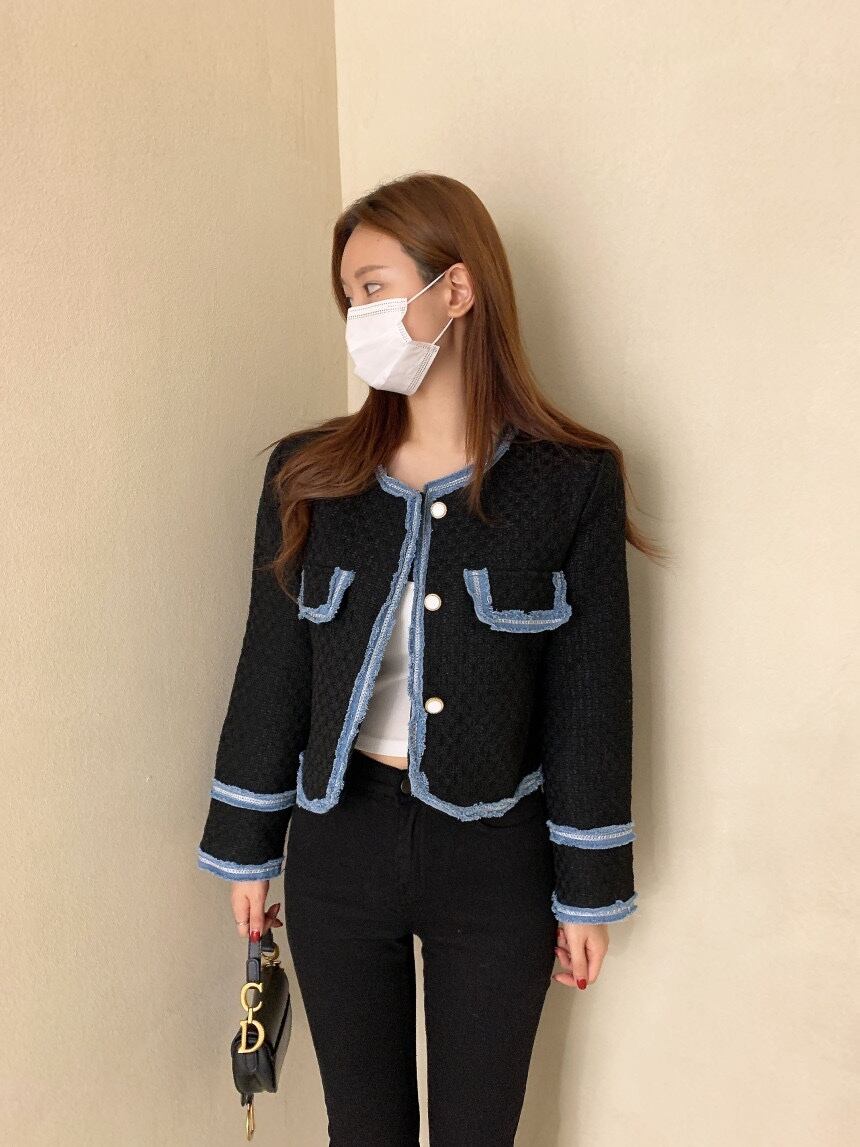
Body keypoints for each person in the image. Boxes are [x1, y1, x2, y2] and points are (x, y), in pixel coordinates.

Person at [197, 172, 661, 1146]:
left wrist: (585, 891)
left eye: (374, 288)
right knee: (361, 1128)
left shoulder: (570, 482)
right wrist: (248, 850)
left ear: (457, 289)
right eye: (348, 297)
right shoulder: (309, 476)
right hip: (337, 846)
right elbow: (273, 668)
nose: (358, 318)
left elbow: (588, 700)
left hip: (496, 856)